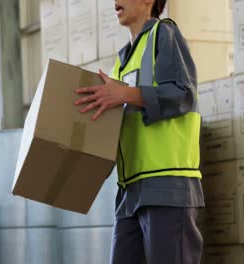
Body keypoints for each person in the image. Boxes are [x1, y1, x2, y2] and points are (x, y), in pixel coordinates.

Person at [74, 0, 204, 263]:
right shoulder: (120, 64)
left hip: (167, 184)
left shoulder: (164, 35)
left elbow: (183, 94)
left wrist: (125, 93)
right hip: (129, 193)